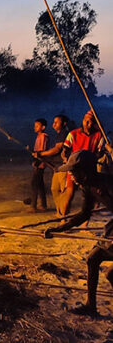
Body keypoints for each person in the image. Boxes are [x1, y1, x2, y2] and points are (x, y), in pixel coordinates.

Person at [44, 150, 113, 316]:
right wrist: (59, 229)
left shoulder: (108, 184)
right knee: (97, 263)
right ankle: (91, 306)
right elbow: (84, 214)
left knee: (100, 264)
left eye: (73, 171)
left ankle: (91, 306)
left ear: (85, 171)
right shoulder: (88, 187)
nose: (70, 174)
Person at [60, 110, 105, 216]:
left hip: (89, 170)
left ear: (94, 123)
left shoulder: (99, 136)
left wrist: (90, 159)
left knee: (88, 198)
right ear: (83, 120)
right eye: (86, 121)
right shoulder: (73, 134)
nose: (87, 124)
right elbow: (65, 151)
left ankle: (84, 226)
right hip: (74, 168)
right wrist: (67, 160)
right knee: (69, 194)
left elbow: (99, 153)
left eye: (90, 122)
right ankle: (62, 220)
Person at [34, 115, 69, 217]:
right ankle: (60, 211)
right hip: (57, 167)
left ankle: (63, 213)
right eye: (54, 122)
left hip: (63, 166)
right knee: (54, 189)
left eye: (57, 122)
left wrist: (41, 154)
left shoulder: (64, 133)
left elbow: (57, 149)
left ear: (64, 124)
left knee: (63, 190)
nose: (54, 124)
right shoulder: (58, 135)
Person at [29, 118, 49, 212]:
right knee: (40, 184)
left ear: (43, 127)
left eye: (37, 126)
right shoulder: (39, 136)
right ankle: (43, 205)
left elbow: (42, 151)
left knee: (34, 184)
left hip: (40, 163)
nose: (35, 127)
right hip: (38, 162)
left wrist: (37, 162)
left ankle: (33, 206)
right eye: (35, 125)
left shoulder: (44, 136)